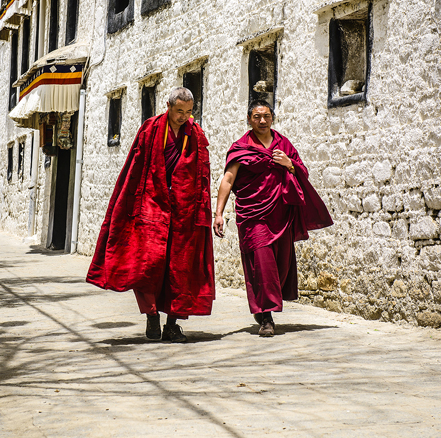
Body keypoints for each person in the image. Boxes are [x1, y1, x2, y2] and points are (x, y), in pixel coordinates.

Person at [87, 87, 215, 343]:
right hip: (150, 204)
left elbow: (202, 173)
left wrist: (202, 208)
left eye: (188, 112)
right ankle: (152, 315)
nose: (184, 117)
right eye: (179, 111)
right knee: (147, 264)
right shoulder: (151, 128)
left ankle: (172, 324)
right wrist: (129, 204)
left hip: (184, 209)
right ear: (168, 107)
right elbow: (134, 167)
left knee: (180, 268)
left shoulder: (195, 133)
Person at [213, 100, 333, 337]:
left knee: (280, 264)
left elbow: (302, 172)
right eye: (256, 116)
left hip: (282, 214)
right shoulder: (241, 148)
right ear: (249, 119)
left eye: (266, 116)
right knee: (262, 262)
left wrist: (289, 164)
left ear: (272, 118)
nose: (262, 120)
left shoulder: (283, 144)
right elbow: (227, 179)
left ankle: (263, 306)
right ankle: (266, 317)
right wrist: (218, 213)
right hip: (253, 214)